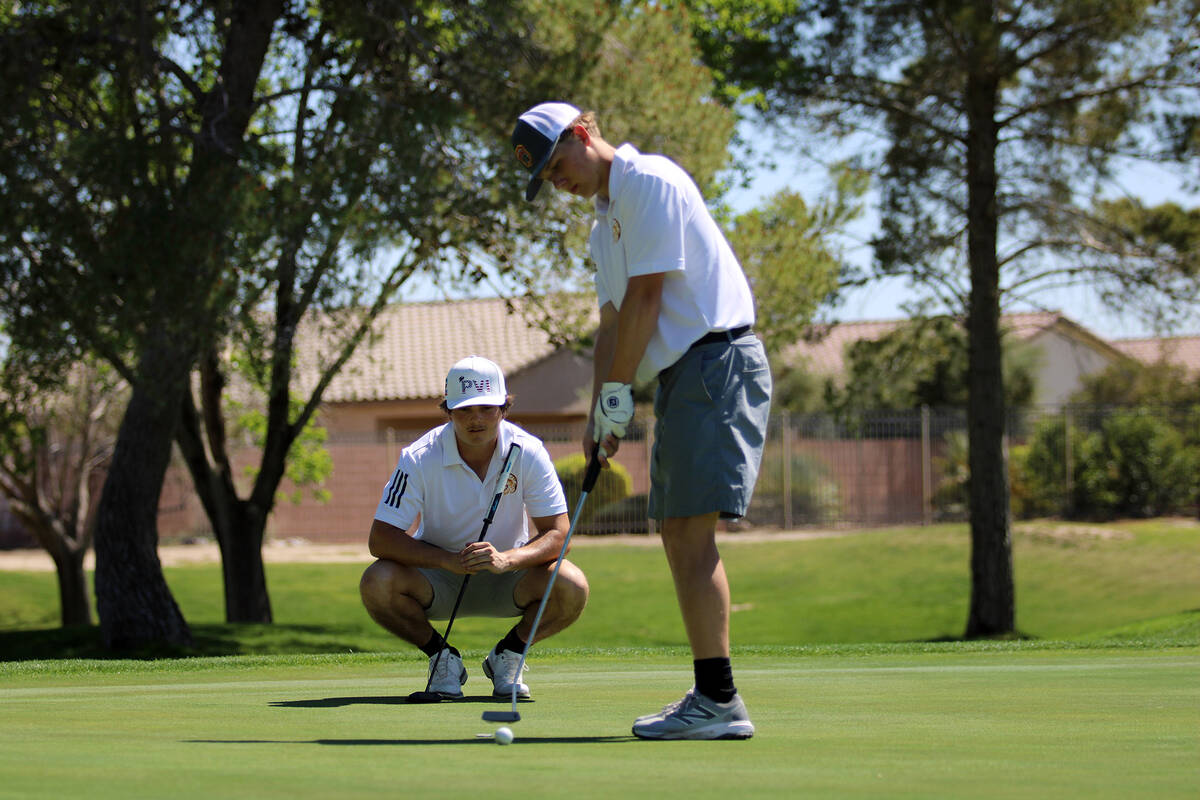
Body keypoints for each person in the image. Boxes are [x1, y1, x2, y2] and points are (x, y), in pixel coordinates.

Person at [510, 102, 772, 740]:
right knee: (677, 532)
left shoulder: (650, 181)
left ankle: (719, 699)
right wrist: (601, 409)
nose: (557, 180)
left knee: (688, 531)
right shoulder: (604, 230)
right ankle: (715, 695)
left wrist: (621, 396)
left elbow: (649, 299)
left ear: (584, 133)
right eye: (545, 177)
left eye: (556, 162)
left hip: (717, 360)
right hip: (686, 376)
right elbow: (610, 325)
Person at [359, 355, 589, 700]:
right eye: (464, 410)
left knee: (571, 584)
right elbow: (381, 539)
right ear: (448, 411)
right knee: (376, 582)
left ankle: (508, 655)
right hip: (438, 579)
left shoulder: (528, 451)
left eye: (486, 407)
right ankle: (442, 659)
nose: (476, 419)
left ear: (503, 408)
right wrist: (446, 560)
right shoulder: (419, 456)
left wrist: (508, 560)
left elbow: (559, 532)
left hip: (509, 576)